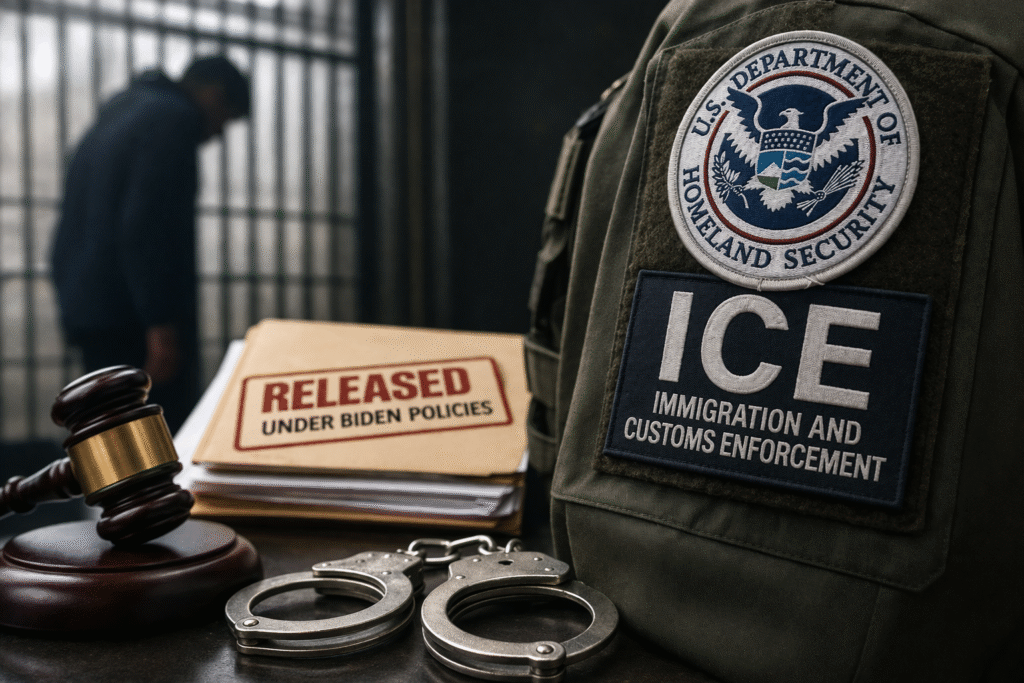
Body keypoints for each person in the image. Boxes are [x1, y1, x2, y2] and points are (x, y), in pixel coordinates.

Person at [50, 55, 250, 433]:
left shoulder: (120, 112)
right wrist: (161, 325)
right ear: (213, 95)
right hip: (131, 317)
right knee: (160, 445)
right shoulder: (172, 120)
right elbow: (150, 226)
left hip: (91, 305)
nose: (219, 133)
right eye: (228, 115)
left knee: (108, 436)